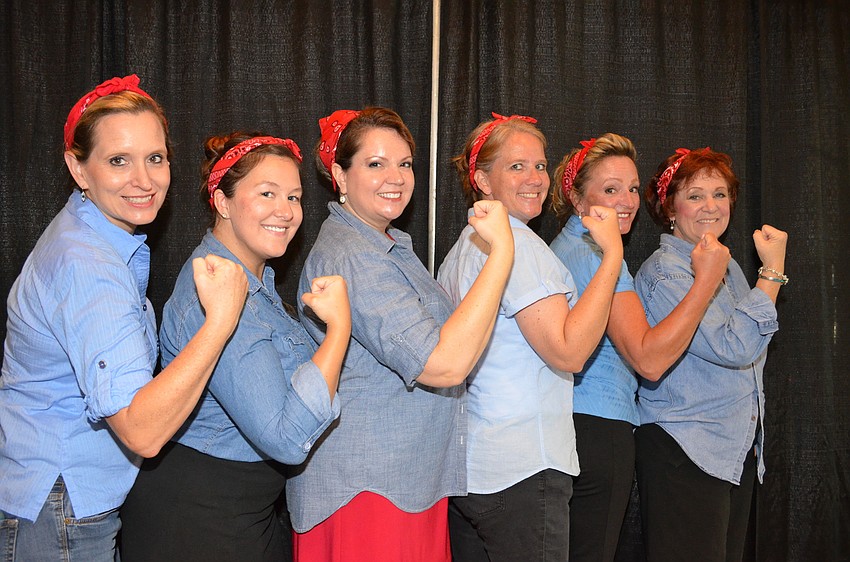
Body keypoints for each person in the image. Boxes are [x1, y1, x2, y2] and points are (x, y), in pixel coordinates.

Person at [0, 75, 247, 561]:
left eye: (155, 158)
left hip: (62, 501)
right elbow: (142, 431)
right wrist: (221, 320)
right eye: (118, 161)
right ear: (78, 168)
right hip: (61, 507)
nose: (144, 179)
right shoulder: (88, 264)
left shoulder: (95, 234)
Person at [288, 107, 514, 561]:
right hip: (368, 491)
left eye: (405, 164)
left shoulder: (384, 245)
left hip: (403, 482)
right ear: (340, 174)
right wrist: (502, 255)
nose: (396, 177)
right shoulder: (353, 255)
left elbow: (455, 350)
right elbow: (443, 363)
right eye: (375, 164)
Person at [119, 132, 350, 560]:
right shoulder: (218, 290)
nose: (286, 211)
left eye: (295, 198)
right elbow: (284, 438)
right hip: (197, 520)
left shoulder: (255, 283)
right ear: (222, 203)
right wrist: (339, 330)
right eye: (267, 193)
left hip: (246, 513)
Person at [437, 113, 624, 561]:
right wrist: (613, 253)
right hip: (523, 469)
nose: (535, 178)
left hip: (474, 472)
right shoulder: (517, 244)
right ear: (482, 179)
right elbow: (570, 351)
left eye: (540, 166)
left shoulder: (462, 247)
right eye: (516, 166)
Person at [548, 134, 730, 561]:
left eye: (631, 188)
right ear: (576, 199)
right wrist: (704, 282)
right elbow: (648, 359)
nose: (626, 200)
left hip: (579, 428)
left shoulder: (575, 246)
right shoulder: (595, 254)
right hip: (597, 429)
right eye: (610, 190)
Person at [634, 147, 788, 562]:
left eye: (720, 195)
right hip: (684, 449)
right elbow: (734, 347)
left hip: (729, 450)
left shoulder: (728, 266)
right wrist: (771, 275)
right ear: (670, 206)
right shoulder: (665, 273)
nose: (710, 206)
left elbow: (750, 354)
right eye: (695, 194)